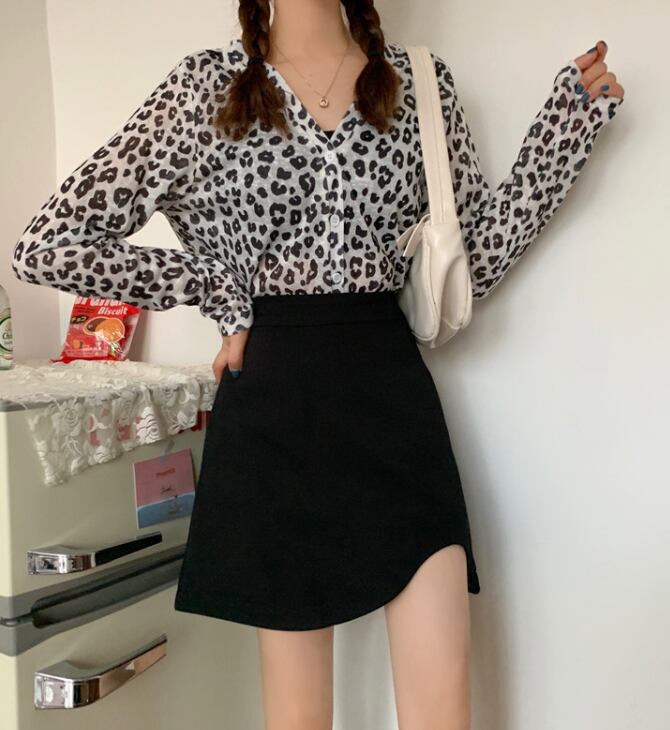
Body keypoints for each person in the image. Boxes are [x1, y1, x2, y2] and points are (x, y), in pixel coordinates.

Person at [11, 0, 625, 727]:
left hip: (393, 407)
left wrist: (562, 132)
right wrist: (215, 288)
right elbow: (46, 245)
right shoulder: (205, 87)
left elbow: (473, 264)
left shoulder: (420, 82)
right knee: (299, 717)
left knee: (443, 709)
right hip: (273, 410)